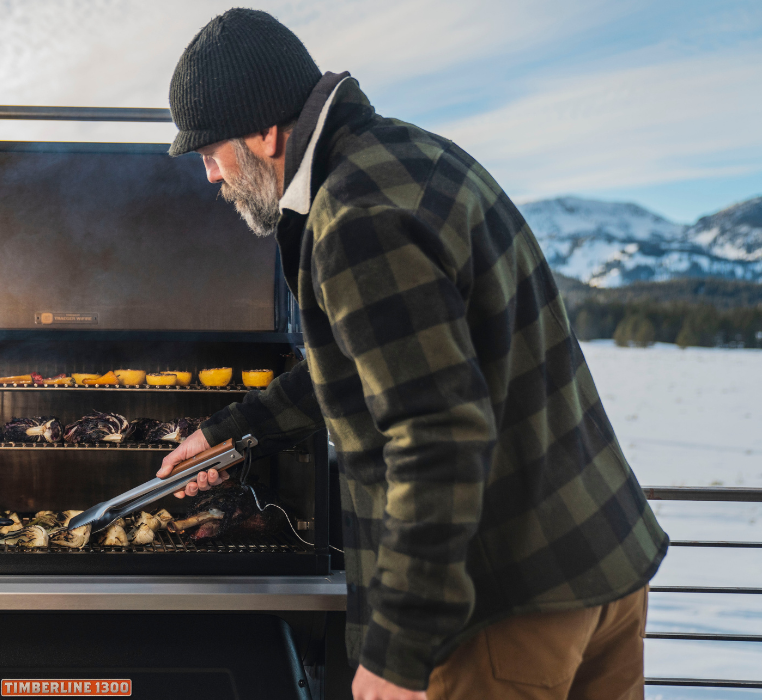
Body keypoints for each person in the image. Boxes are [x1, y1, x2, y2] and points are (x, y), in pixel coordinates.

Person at [157, 9, 667, 700]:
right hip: (598, 560)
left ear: (264, 132)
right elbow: (370, 363)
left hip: (502, 610)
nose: (210, 176)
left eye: (209, 152)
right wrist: (229, 432)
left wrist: (401, 647)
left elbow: (437, 434)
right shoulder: (412, 158)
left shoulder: (355, 217)